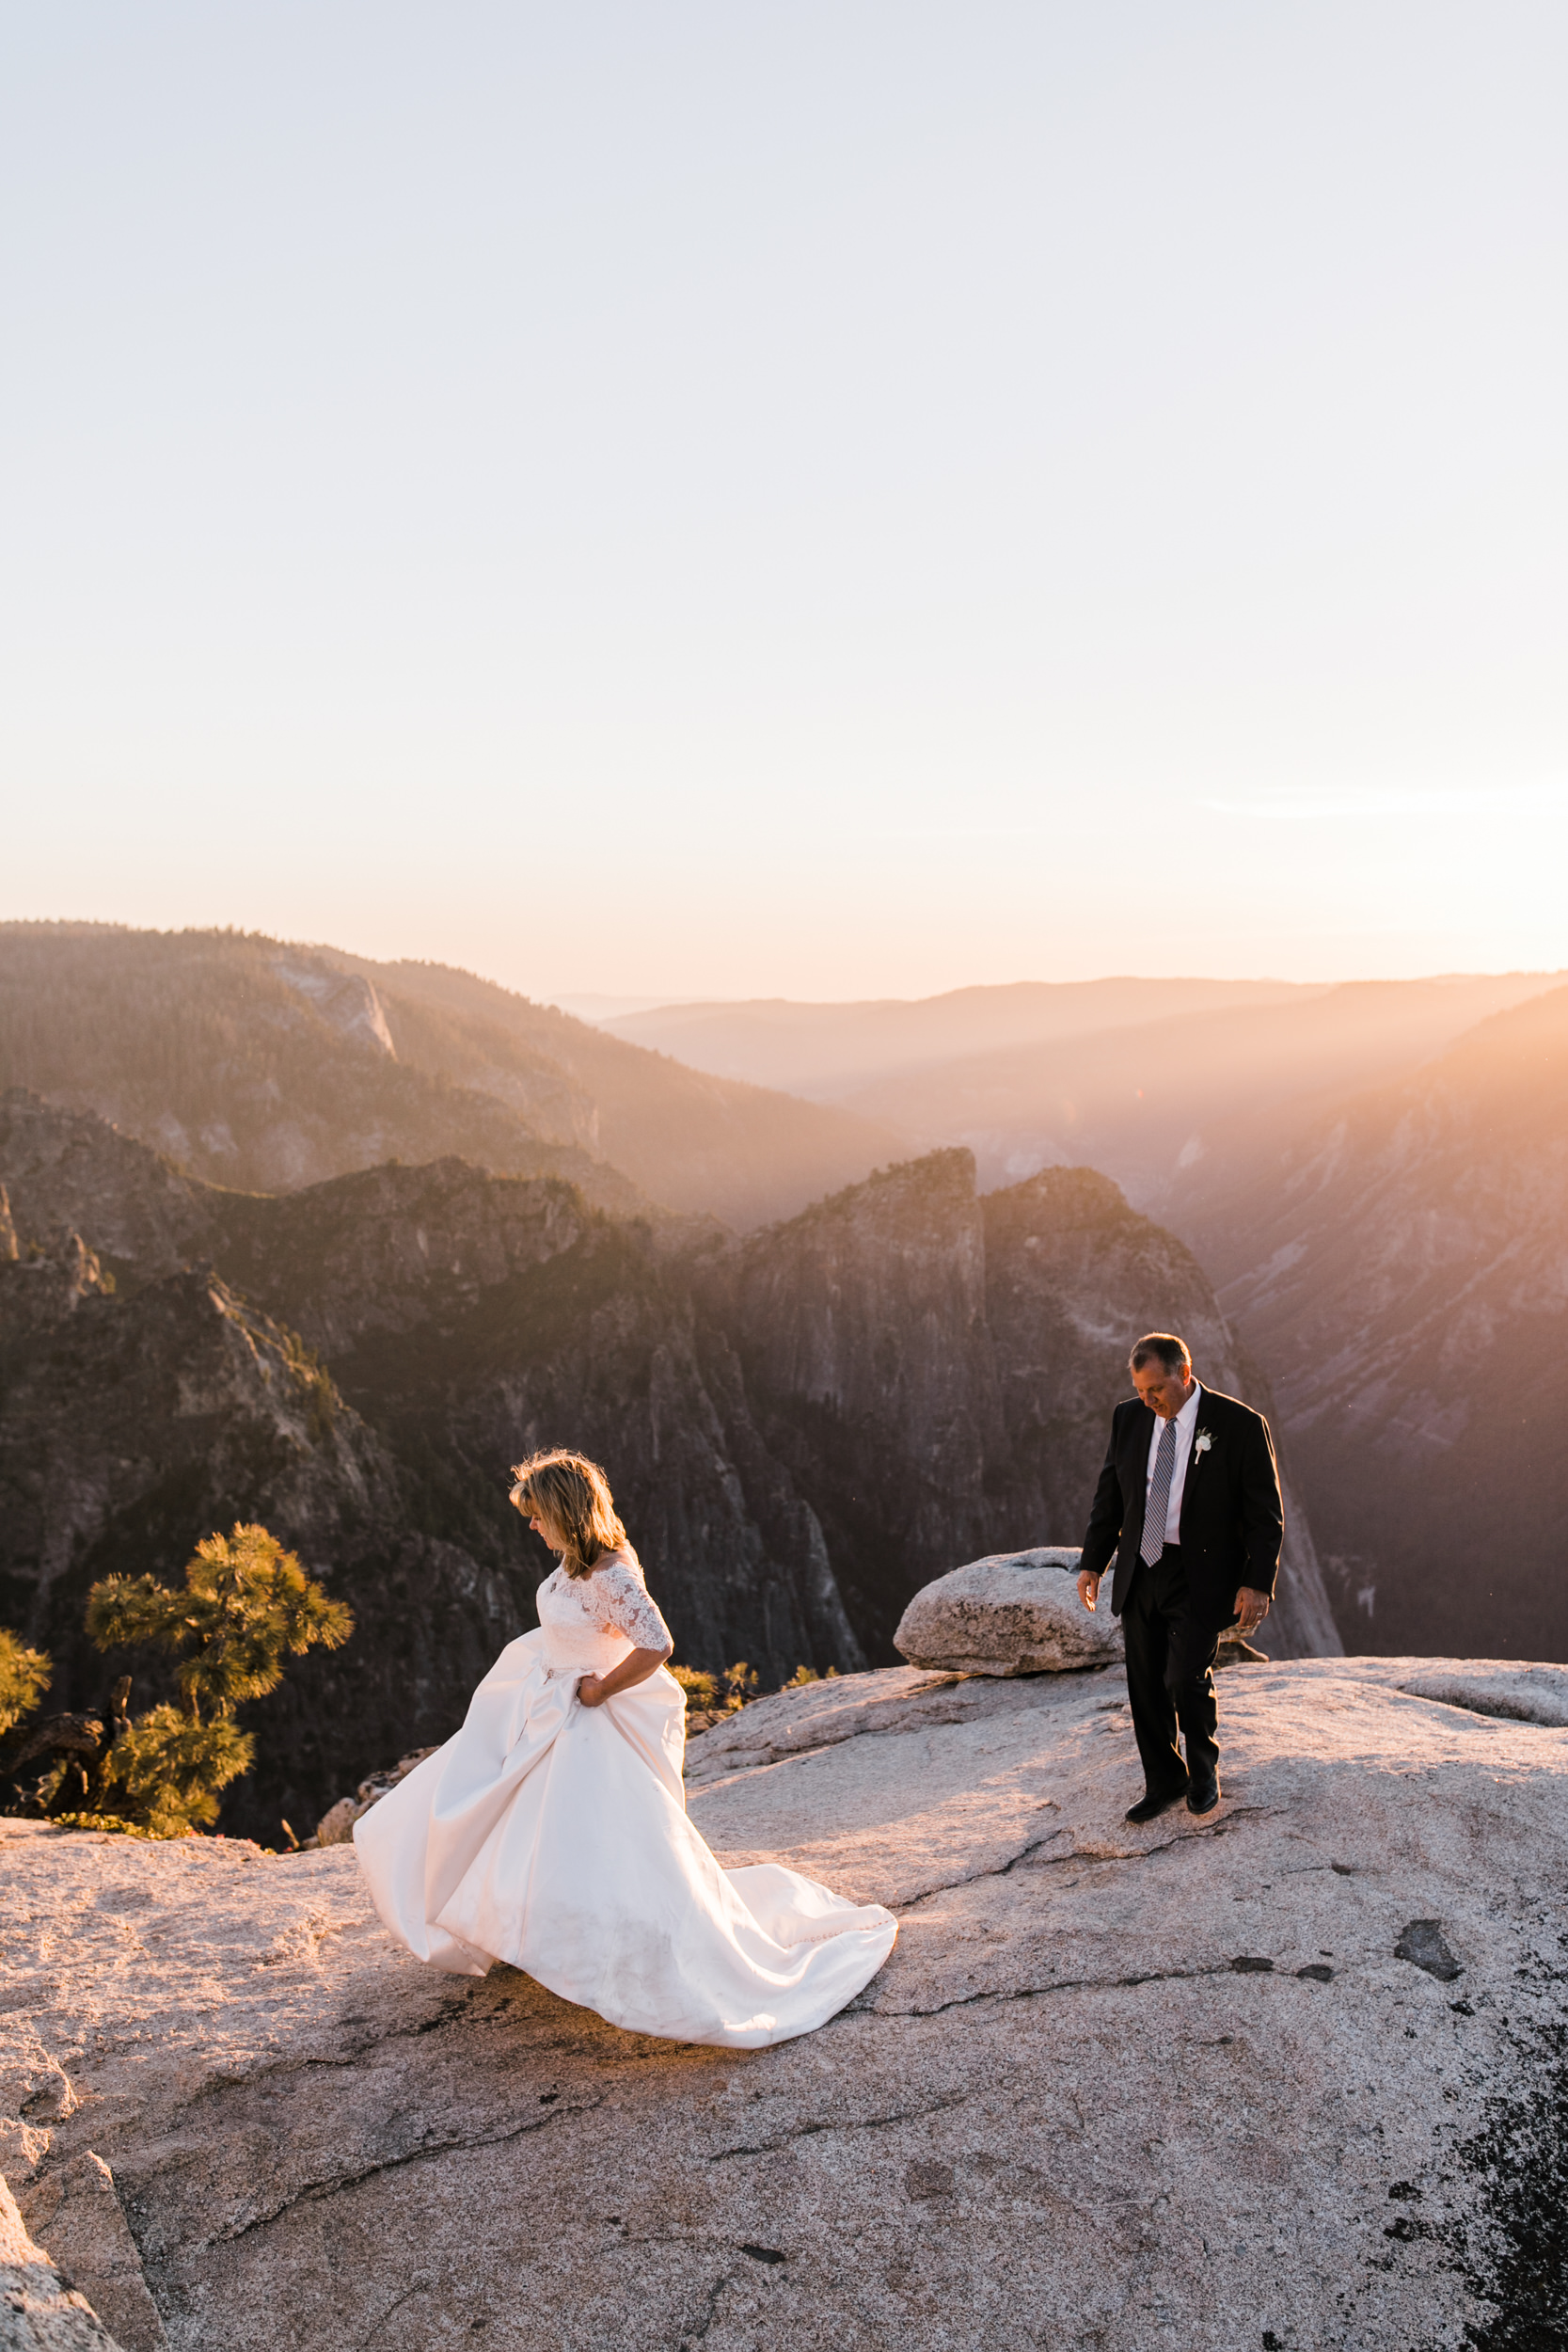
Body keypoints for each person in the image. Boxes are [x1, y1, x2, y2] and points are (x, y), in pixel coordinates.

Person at [354, 1447, 895, 2047]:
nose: (530, 1526)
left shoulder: (610, 1571)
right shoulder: (574, 1560)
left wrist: (601, 1688)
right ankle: (544, 1937)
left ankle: (607, 1953)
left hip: (586, 1719)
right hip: (546, 1708)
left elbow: (657, 1643)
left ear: (564, 1509)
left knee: (591, 1842)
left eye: (536, 1514)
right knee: (526, 1829)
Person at [1076, 1333, 1283, 1824]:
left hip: (1200, 1572)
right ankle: (1164, 1780)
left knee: (1184, 1675)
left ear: (1184, 1375)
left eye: (1156, 1390)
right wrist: (1093, 1561)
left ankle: (1203, 1771)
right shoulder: (1128, 1418)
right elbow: (1111, 1496)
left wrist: (1256, 1583)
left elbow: (1264, 1515)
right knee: (1144, 1682)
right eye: (1140, 1390)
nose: (1147, 1400)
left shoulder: (1239, 1425)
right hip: (1141, 1566)